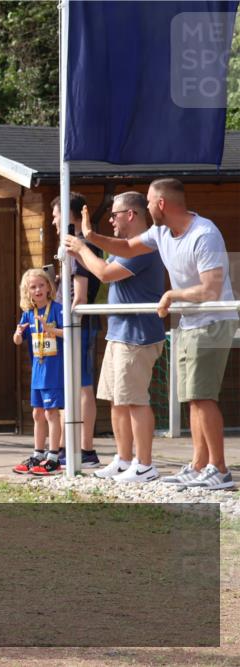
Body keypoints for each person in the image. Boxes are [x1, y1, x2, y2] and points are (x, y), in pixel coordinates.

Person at [81, 178, 238, 490]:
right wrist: (90, 237)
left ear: (162, 204)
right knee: (193, 399)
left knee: (203, 398)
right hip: (190, 322)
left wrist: (171, 295)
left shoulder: (204, 234)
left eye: (150, 202)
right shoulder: (161, 232)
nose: (147, 206)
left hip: (213, 320)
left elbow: (210, 289)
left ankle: (219, 469)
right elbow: (126, 247)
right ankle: (199, 465)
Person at [64, 192, 165, 483]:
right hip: (119, 334)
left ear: (130, 215)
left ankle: (144, 465)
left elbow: (106, 273)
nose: (110, 221)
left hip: (137, 336)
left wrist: (82, 248)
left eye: (114, 215)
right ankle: (123, 461)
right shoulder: (125, 246)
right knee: (117, 401)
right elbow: (102, 266)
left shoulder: (145, 246)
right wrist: (82, 248)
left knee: (135, 401)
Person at [52, 193, 101, 468]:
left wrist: (68, 324)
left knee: (82, 386)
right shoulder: (71, 246)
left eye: (56, 215)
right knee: (69, 385)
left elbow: (80, 295)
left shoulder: (82, 246)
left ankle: (86, 450)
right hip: (66, 325)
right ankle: (64, 447)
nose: (53, 221)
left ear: (68, 214)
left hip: (78, 325)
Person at [11, 268, 66, 475]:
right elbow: (17, 340)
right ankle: (38, 454)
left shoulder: (58, 309)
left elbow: (68, 333)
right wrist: (18, 334)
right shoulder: (28, 314)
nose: (38, 290)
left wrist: (50, 329)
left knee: (52, 413)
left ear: (49, 287)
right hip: (38, 372)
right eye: (33, 287)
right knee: (37, 413)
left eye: (41, 285)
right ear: (27, 292)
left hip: (54, 371)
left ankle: (54, 457)